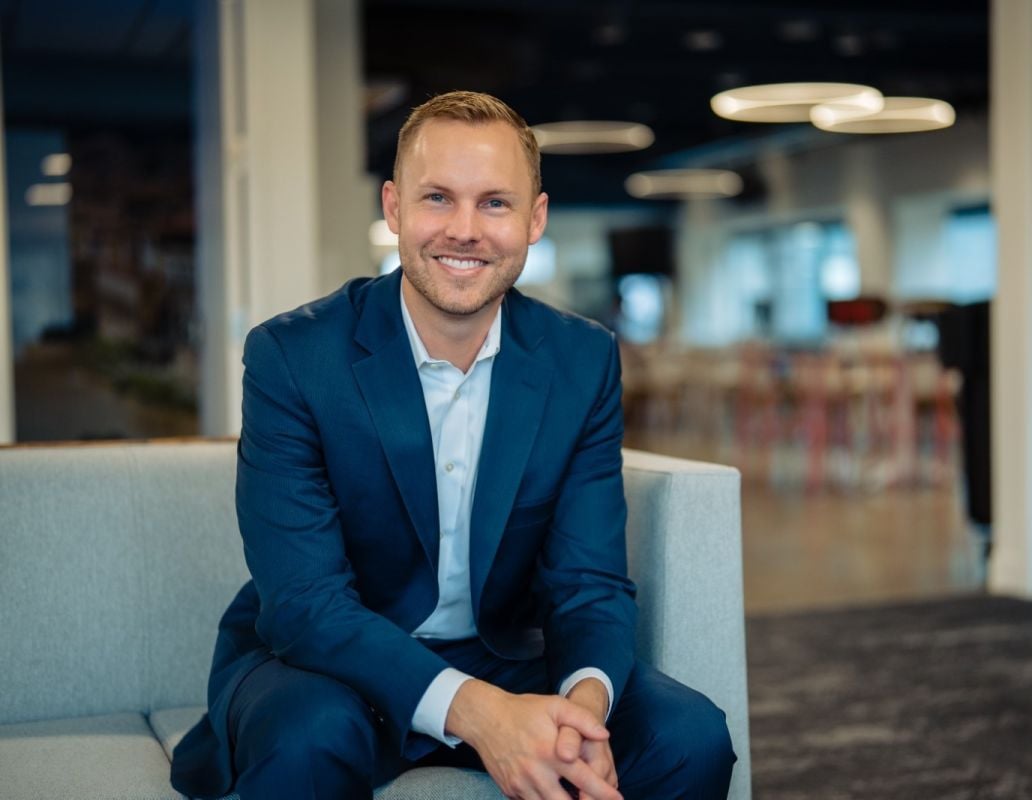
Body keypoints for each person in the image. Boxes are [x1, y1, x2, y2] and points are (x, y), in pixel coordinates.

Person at [170, 91, 735, 800]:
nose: (464, 230)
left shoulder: (581, 360)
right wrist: (486, 717)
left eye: (495, 204)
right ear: (395, 208)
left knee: (691, 739)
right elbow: (306, 604)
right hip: (329, 662)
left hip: (506, 655)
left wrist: (579, 719)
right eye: (438, 198)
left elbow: (586, 582)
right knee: (305, 742)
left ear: (534, 220)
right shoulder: (292, 357)